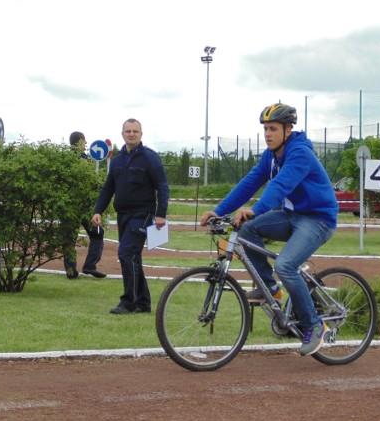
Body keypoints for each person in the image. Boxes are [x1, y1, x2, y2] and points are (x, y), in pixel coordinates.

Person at [200, 104, 338, 356]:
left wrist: (257, 208)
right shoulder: (270, 156)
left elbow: (281, 186)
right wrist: (219, 211)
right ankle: (269, 289)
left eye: (273, 128)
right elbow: (249, 183)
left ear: (288, 130)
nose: (268, 134)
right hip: (291, 215)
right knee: (246, 230)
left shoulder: (300, 153)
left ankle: (316, 327)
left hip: (318, 220)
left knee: (285, 265)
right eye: (265, 129)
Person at [92, 119, 169, 314]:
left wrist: (161, 214)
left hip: (142, 214)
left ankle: (128, 302)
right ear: (122, 134)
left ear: (141, 134)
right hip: (123, 216)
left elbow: (162, 186)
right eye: (128, 131)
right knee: (133, 257)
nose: (131, 134)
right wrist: (98, 210)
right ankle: (143, 303)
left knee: (126, 253)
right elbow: (108, 187)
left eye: (135, 131)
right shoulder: (117, 161)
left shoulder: (150, 158)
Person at [63, 131, 106, 279]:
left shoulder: (63, 160)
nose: (86, 144)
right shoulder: (85, 161)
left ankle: (70, 270)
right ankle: (90, 264)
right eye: (84, 141)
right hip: (84, 206)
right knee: (97, 233)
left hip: (67, 205)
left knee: (69, 239)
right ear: (80, 143)